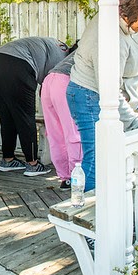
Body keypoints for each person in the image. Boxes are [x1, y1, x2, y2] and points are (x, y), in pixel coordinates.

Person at [66, 0, 138, 192]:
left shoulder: (122, 26)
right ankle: (90, 212)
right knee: (97, 157)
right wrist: (136, 123)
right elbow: (109, 90)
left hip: (90, 93)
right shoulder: (111, 36)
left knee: (102, 154)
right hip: (88, 94)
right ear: (132, 11)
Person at [0, 37, 67, 177]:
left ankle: (8, 160)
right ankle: (32, 164)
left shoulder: (56, 45)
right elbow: (50, 87)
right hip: (17, 64)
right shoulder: (63, 56)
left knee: (7, 116)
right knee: (26, 118)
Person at [41, 43, 83, 190]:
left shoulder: (72, 55)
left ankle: (65, 178)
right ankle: (76, 176)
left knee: (55, 134)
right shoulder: (95, 48)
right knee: (73, 132)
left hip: (48, 80)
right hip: (65, 81)